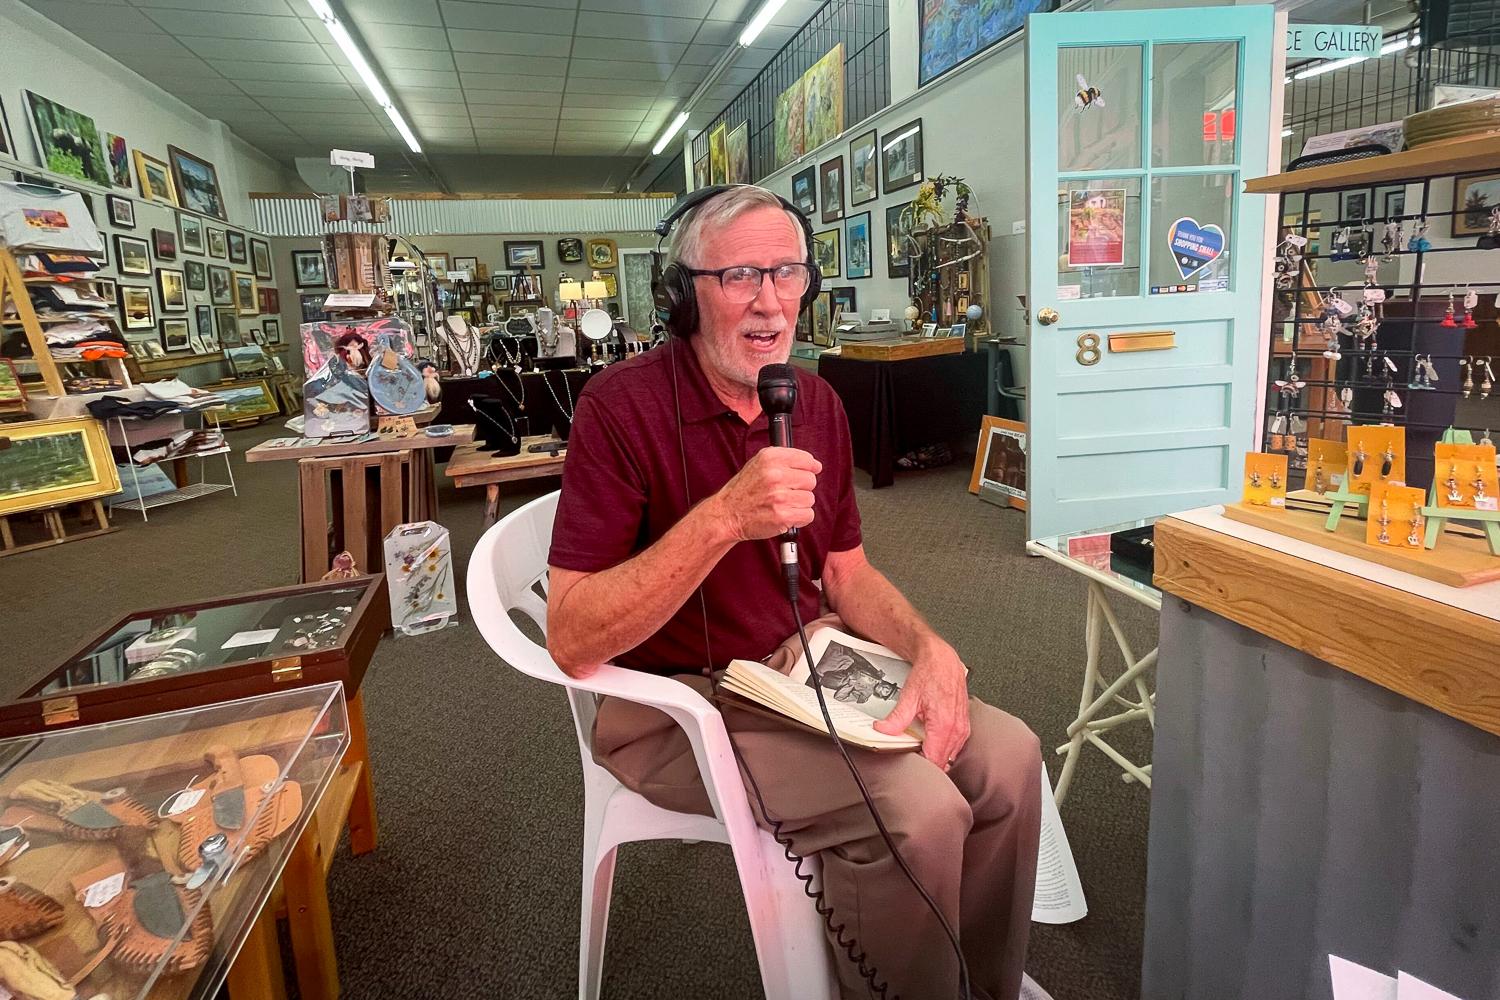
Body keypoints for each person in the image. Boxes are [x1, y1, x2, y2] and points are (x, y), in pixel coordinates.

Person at [544, 184, 1041, 1000]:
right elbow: (570, 635)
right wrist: (722, 520)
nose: (770, 302)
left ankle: (976, 986)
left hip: (806, 665)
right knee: (921, 813)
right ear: (683, 296)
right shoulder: (618, 409)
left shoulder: (814, 401)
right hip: (677, 704)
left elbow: (845, 570)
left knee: (1012, 761)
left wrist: (928, 648)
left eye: (787, 273)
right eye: (739, 275)